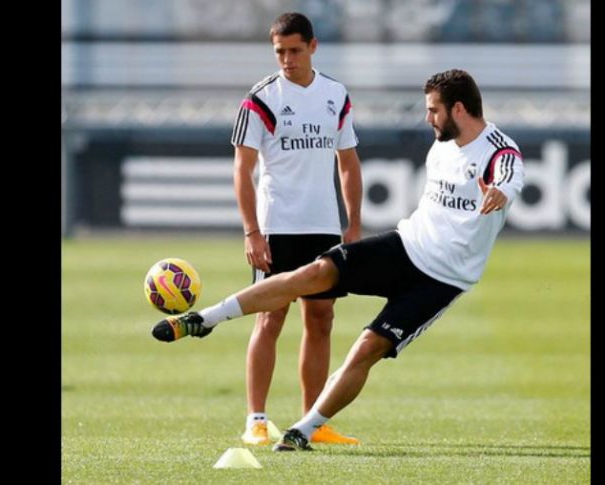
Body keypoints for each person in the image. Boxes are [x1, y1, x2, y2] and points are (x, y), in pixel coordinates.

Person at [152, 68, 524, 452]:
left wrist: (499, 191)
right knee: (314, 273)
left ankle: (305, 429)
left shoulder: (499, 150)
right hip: (404, 246)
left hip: (442, 278)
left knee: (368, 347)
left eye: (433, 110)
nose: (428, 118)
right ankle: (205, 319)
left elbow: (508, 174)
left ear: (458, 109)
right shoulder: (441, 144)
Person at [155, 13, 363, 446]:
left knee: (322, 318)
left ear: (313, 47)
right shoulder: (261, 99)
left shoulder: (335, 95)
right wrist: (252, 232)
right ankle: (256, 419)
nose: (287, 59)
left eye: (294, 50)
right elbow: (243, 168)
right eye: (279, 52)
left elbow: (348, 163)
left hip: (323, 226)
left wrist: (354, 224)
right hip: (278, 225)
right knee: (270, 317)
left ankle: (313, 421)